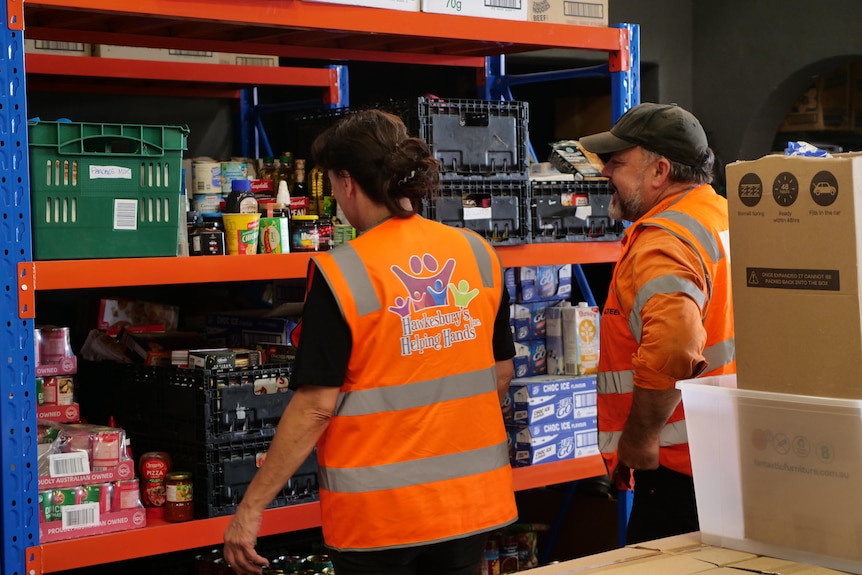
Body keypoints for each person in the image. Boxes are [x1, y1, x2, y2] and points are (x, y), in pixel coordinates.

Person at [223, 109, 518, 575]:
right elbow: (500, 372)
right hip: (470, 505)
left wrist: (251, 508)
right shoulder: (477, 253)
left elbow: (316, 406)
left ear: (347, 182)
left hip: (381, 520)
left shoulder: (342, 273)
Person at [578, 103, 735, 544]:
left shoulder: (665, 239)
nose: (606, 171)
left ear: (659, 171)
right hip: (732, 457)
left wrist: (641, 437)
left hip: (679, 467)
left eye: (617, 161)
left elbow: (672, 345)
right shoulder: (724, 216)